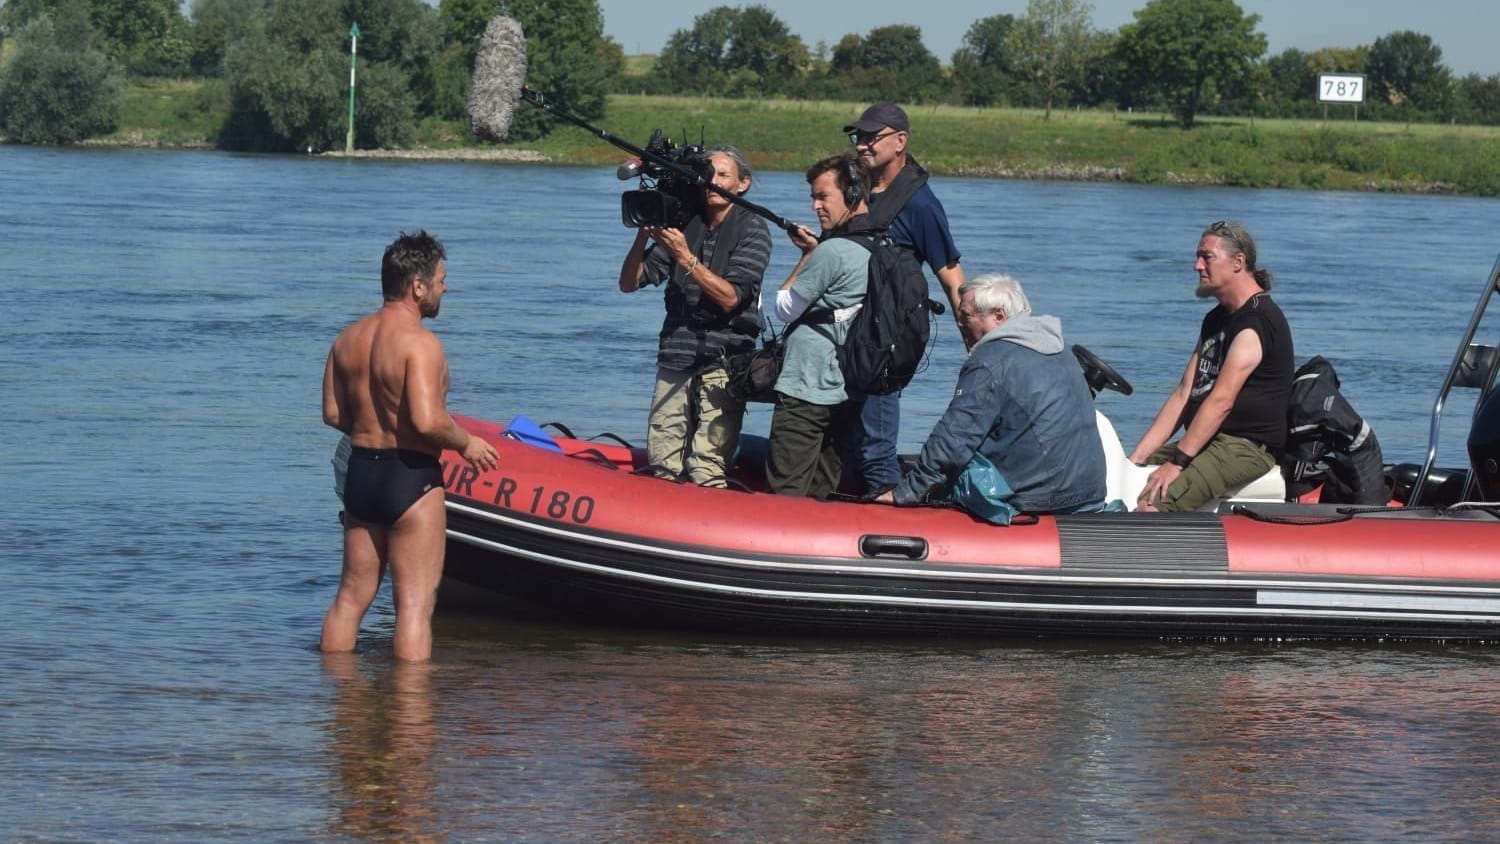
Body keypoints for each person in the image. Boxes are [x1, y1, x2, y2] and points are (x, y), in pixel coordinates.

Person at [321, 231, 499, 662]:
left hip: (362, 472)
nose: (444, 288)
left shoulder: (347, 339)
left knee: (350, 598)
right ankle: (410, 720)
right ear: (417, 286)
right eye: (440, 279)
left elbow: (331, 413)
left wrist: (372, 426)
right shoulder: (421, 344)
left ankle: (338, 707)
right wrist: (467, 444)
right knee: (414, 609)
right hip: (410, 477)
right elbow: (426, 419)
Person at [875, 275, 1107, 515]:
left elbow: (954, 438)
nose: (960, 324)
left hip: (1037, 501)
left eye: (966, 316)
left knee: (943, 473)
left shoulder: (990, 361)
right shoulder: (1061, 349)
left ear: (998, 317)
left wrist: (907, 492)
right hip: (1090, 493)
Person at [619, 145, 772, 486]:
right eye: (707, 175)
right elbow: (630, 284)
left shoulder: (753, 229)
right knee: (662, 458)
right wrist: (643, 234)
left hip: (725, 358)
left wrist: (686, 259)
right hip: (676, 351)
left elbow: (732, 298)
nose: (712, 182)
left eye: (722, 175)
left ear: (742, 184)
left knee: (707, 463)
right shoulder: (686, 223)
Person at [842, 102, 966, 493]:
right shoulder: (856, 191)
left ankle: (887, 519)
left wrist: (977, 346)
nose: (862, 146)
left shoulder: (921, 205)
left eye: (870, 138)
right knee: (844, 442)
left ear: (900, 142)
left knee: (876, 449)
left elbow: (951, 276)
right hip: (845, 341)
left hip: (884, 344)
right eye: (858, 137)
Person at [1129, 220, 1295, 512]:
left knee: (1151, 505)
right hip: (1209, 440)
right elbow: (1184, 393)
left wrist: (1177, 462)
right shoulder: (1217, 318)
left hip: (1244, 448)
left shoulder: (1257, 322)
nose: (1196, 265)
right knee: (1126, 480)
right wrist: (1135, 460)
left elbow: (1221, 401)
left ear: (1237, 262)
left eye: (1206, 256)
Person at [766, 152, 873, 498]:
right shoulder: (881, 245)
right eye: (813, 196)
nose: (815, 206)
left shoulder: (833, 251)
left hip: (807, 386)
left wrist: (807, 255)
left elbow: (784, 308)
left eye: (822, 196)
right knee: (822, 486)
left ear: (853, 194)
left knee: (787, 485)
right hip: (848, 387)